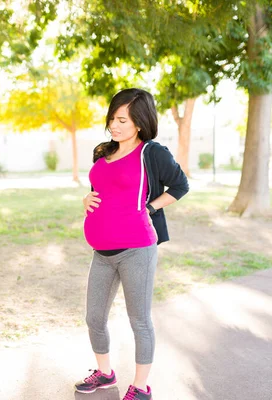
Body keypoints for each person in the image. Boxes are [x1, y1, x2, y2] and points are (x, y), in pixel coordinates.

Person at [74, 88, 189, 400]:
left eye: (121, 119)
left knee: (139, 320)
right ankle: (105, 373)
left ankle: (140, 387)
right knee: (94, 318)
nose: (114, 124)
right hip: (101, 252)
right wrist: (87, 198)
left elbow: (181, 185)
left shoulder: (151, 153)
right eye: (112, 117)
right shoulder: (103, 151)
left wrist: (150, 208)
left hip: (136, 249)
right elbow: (102, 187)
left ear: (139, 122)